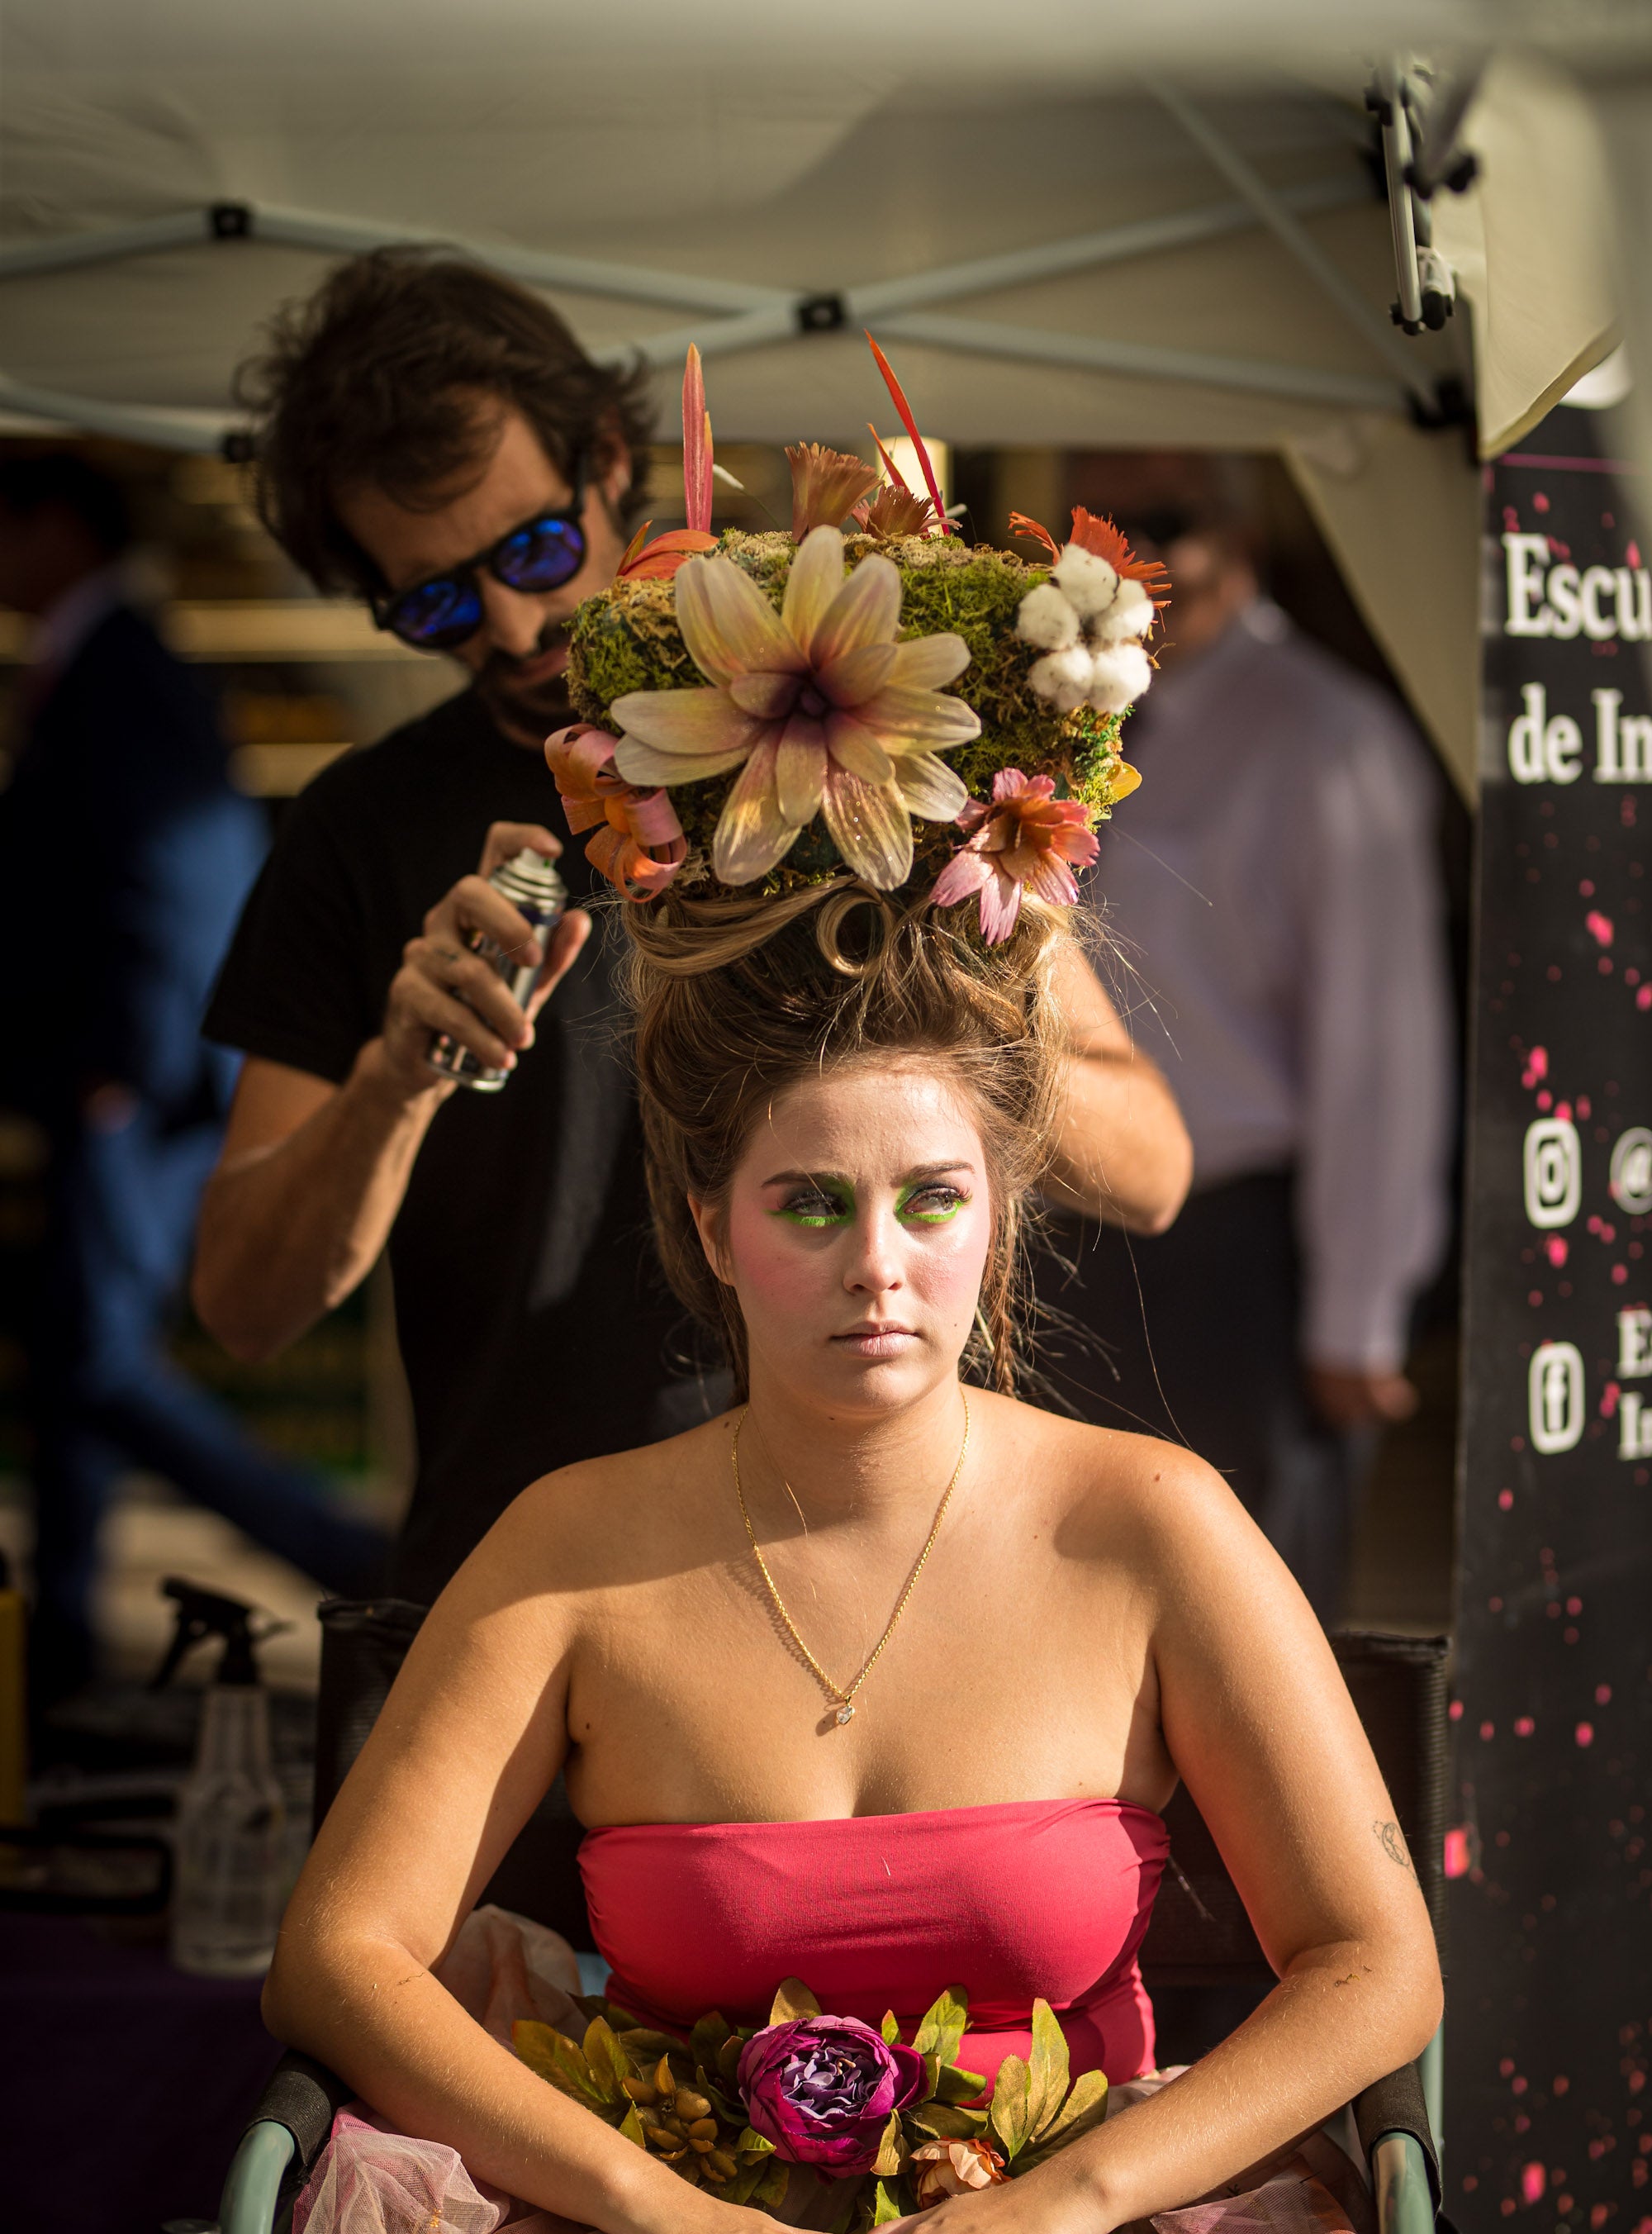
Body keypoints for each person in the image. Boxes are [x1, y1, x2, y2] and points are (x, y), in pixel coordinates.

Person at [259, 877, 1562, 2234]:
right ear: (706, 1229)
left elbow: (1380, 1964)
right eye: (810, 1204)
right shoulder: (571, 1548)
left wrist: (1068, 2195)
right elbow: (339, 1952)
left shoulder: (1150, 1522)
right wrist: (647, 2201)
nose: (880, 1264)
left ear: (998, 1216)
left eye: (932, 1201)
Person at [192, 251, 1192, 1614]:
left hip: (871, 1579)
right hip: (523, 1595)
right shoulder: (359, 829)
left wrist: (918, 930)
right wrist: (395, 1078)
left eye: (534, 549)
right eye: (432, 602)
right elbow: (244, 1307)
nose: (513, 620)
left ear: (609, 459)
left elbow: (1148, 1170)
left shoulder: (842, 714)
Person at [0, 454, 386, 1731]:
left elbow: (183, 875)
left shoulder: (127, 666)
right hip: (117, 1074)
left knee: (97, 1358)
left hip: (138, 1084)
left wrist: (137, 1068)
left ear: (57, 528)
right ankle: (57, 1634)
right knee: (75, 1356)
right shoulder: (108, 659)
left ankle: (349, 1561)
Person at [1053, 515, 1454, 1623]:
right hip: (1062, 1229)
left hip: (1235, 1257)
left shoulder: (1327, 734)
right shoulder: (1062, 701)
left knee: (1241, 1632)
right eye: (1098, 516)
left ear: (1238, 531)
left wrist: (1360, 1314)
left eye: (1163, 522)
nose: (1124, 552)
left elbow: (1380, 1040)